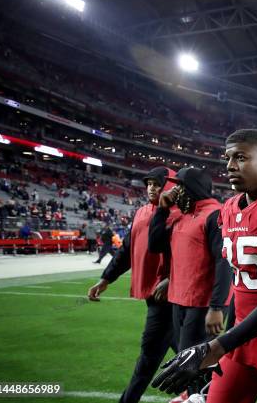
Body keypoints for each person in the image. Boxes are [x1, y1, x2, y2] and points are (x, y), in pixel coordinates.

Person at [151, 129, 257, 403]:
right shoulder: (230, 209)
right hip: (241, 339)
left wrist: (217, 346)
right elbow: (240, 281)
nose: (230, 166)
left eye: (241, 158)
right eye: (228, 158)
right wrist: (228, 337)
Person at [87, 167, 179, 403]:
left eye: (157, 184)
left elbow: (192, 255)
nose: (151, 188)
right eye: (148, 183)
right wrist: (106, 279)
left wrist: (173, 278)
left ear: (170, 186)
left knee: (149, 357)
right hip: (154, 293)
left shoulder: (179, 214)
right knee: (188, 352)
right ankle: (212, 390)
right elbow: (126, 250)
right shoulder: (141, 212)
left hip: (170, 296)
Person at [148, 167, 232, 400]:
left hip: (203, 303)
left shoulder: (215, 215)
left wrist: (217, 307)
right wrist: (162, 210)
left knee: (194, 358)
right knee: (188, 357)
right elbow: (155, 245)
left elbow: (223, 262)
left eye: (180, 186)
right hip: (179, 298)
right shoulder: (180, 215)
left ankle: (201, 397)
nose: (175, 191)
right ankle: (196, 395)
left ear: (193, 188)